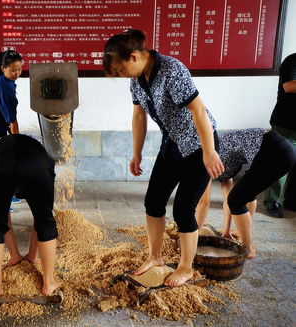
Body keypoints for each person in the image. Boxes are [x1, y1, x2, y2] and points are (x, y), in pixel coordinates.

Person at [104, 30, 224, 287]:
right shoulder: (137, 80)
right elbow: (138, 116)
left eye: (119, 69)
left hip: (198, 145)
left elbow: (198, 109)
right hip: (172, 144)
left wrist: (210, 150)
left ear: (134, 56)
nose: (119, 74)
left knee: (183, 209)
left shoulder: (172, 69)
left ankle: (185, 267)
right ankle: (155, 258)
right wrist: (136, 153)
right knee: (154, 202)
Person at [0, 134, 59, 297]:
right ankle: (48, 284)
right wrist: (32, 256)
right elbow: (39, 215)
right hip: (35, 164)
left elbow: (2, 212)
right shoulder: (38, 150)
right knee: (44, 217)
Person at [0, 50, 37, 266]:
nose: (18, 73)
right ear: (3, 68)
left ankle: (7, 194)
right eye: (13, 70)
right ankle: (4, 196)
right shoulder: (4, 89)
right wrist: (18, 144)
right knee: (1, 166)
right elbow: (12, 122)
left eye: (20, 69)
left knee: (0, 165)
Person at [228, 130, 295, 258]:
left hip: (277, 153)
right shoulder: (221, 142)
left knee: (235, 200)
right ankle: (243, 233)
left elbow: (223, 183)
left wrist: (225, 231)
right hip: (285, 148)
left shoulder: (216, 152)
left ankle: (248, 249)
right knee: (247, 193)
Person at [196, 128, 265, 239]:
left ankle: (244, 234)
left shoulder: (204, 164)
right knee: (243, 195)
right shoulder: (225, 170)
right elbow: (227, 200)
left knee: (249, 193)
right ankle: (240, 232)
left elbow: (204, 203)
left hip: (258, 141)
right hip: (252, 139)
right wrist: (226, 231)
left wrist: (193, 233)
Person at [263, 53, 296, 218]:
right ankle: (272, 201)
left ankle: (291, 200)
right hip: (285, 123)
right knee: (279, 164)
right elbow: (289, 86)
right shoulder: (292, 61)